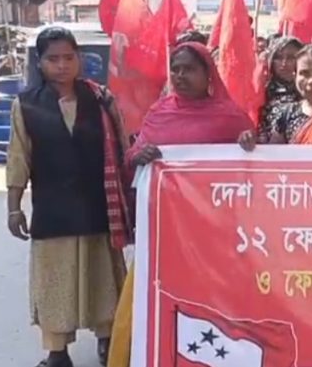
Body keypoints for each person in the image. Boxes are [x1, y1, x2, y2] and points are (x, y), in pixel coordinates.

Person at [106, 42, 254, 367]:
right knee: (145, 299)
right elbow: (132, 157)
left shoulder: (230, 117)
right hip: (164, 231)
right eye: (175, 69)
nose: (181, 75)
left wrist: (248, 144)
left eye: (189, 69)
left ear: (208, 74)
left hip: (213, 235)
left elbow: (251, 169)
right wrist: (138, 155)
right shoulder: (159, 113)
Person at [7, 27, 131, 367]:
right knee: (54, 284)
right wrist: (14, 209)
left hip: (97, 207)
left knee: (103, 280)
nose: (62, 65)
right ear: (40, 62)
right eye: (53, 59)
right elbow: (18, 158)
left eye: (68, 57)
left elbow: (123, 148)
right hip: (53, 210)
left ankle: (109, 341)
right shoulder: (26, 105)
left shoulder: (101, 99)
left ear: (79, 59)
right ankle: (57, 352)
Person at [257, 36, 305, 143]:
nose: (284, 63)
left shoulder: (310, 91)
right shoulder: (261, 92)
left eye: (291, 57)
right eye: (278, 58)